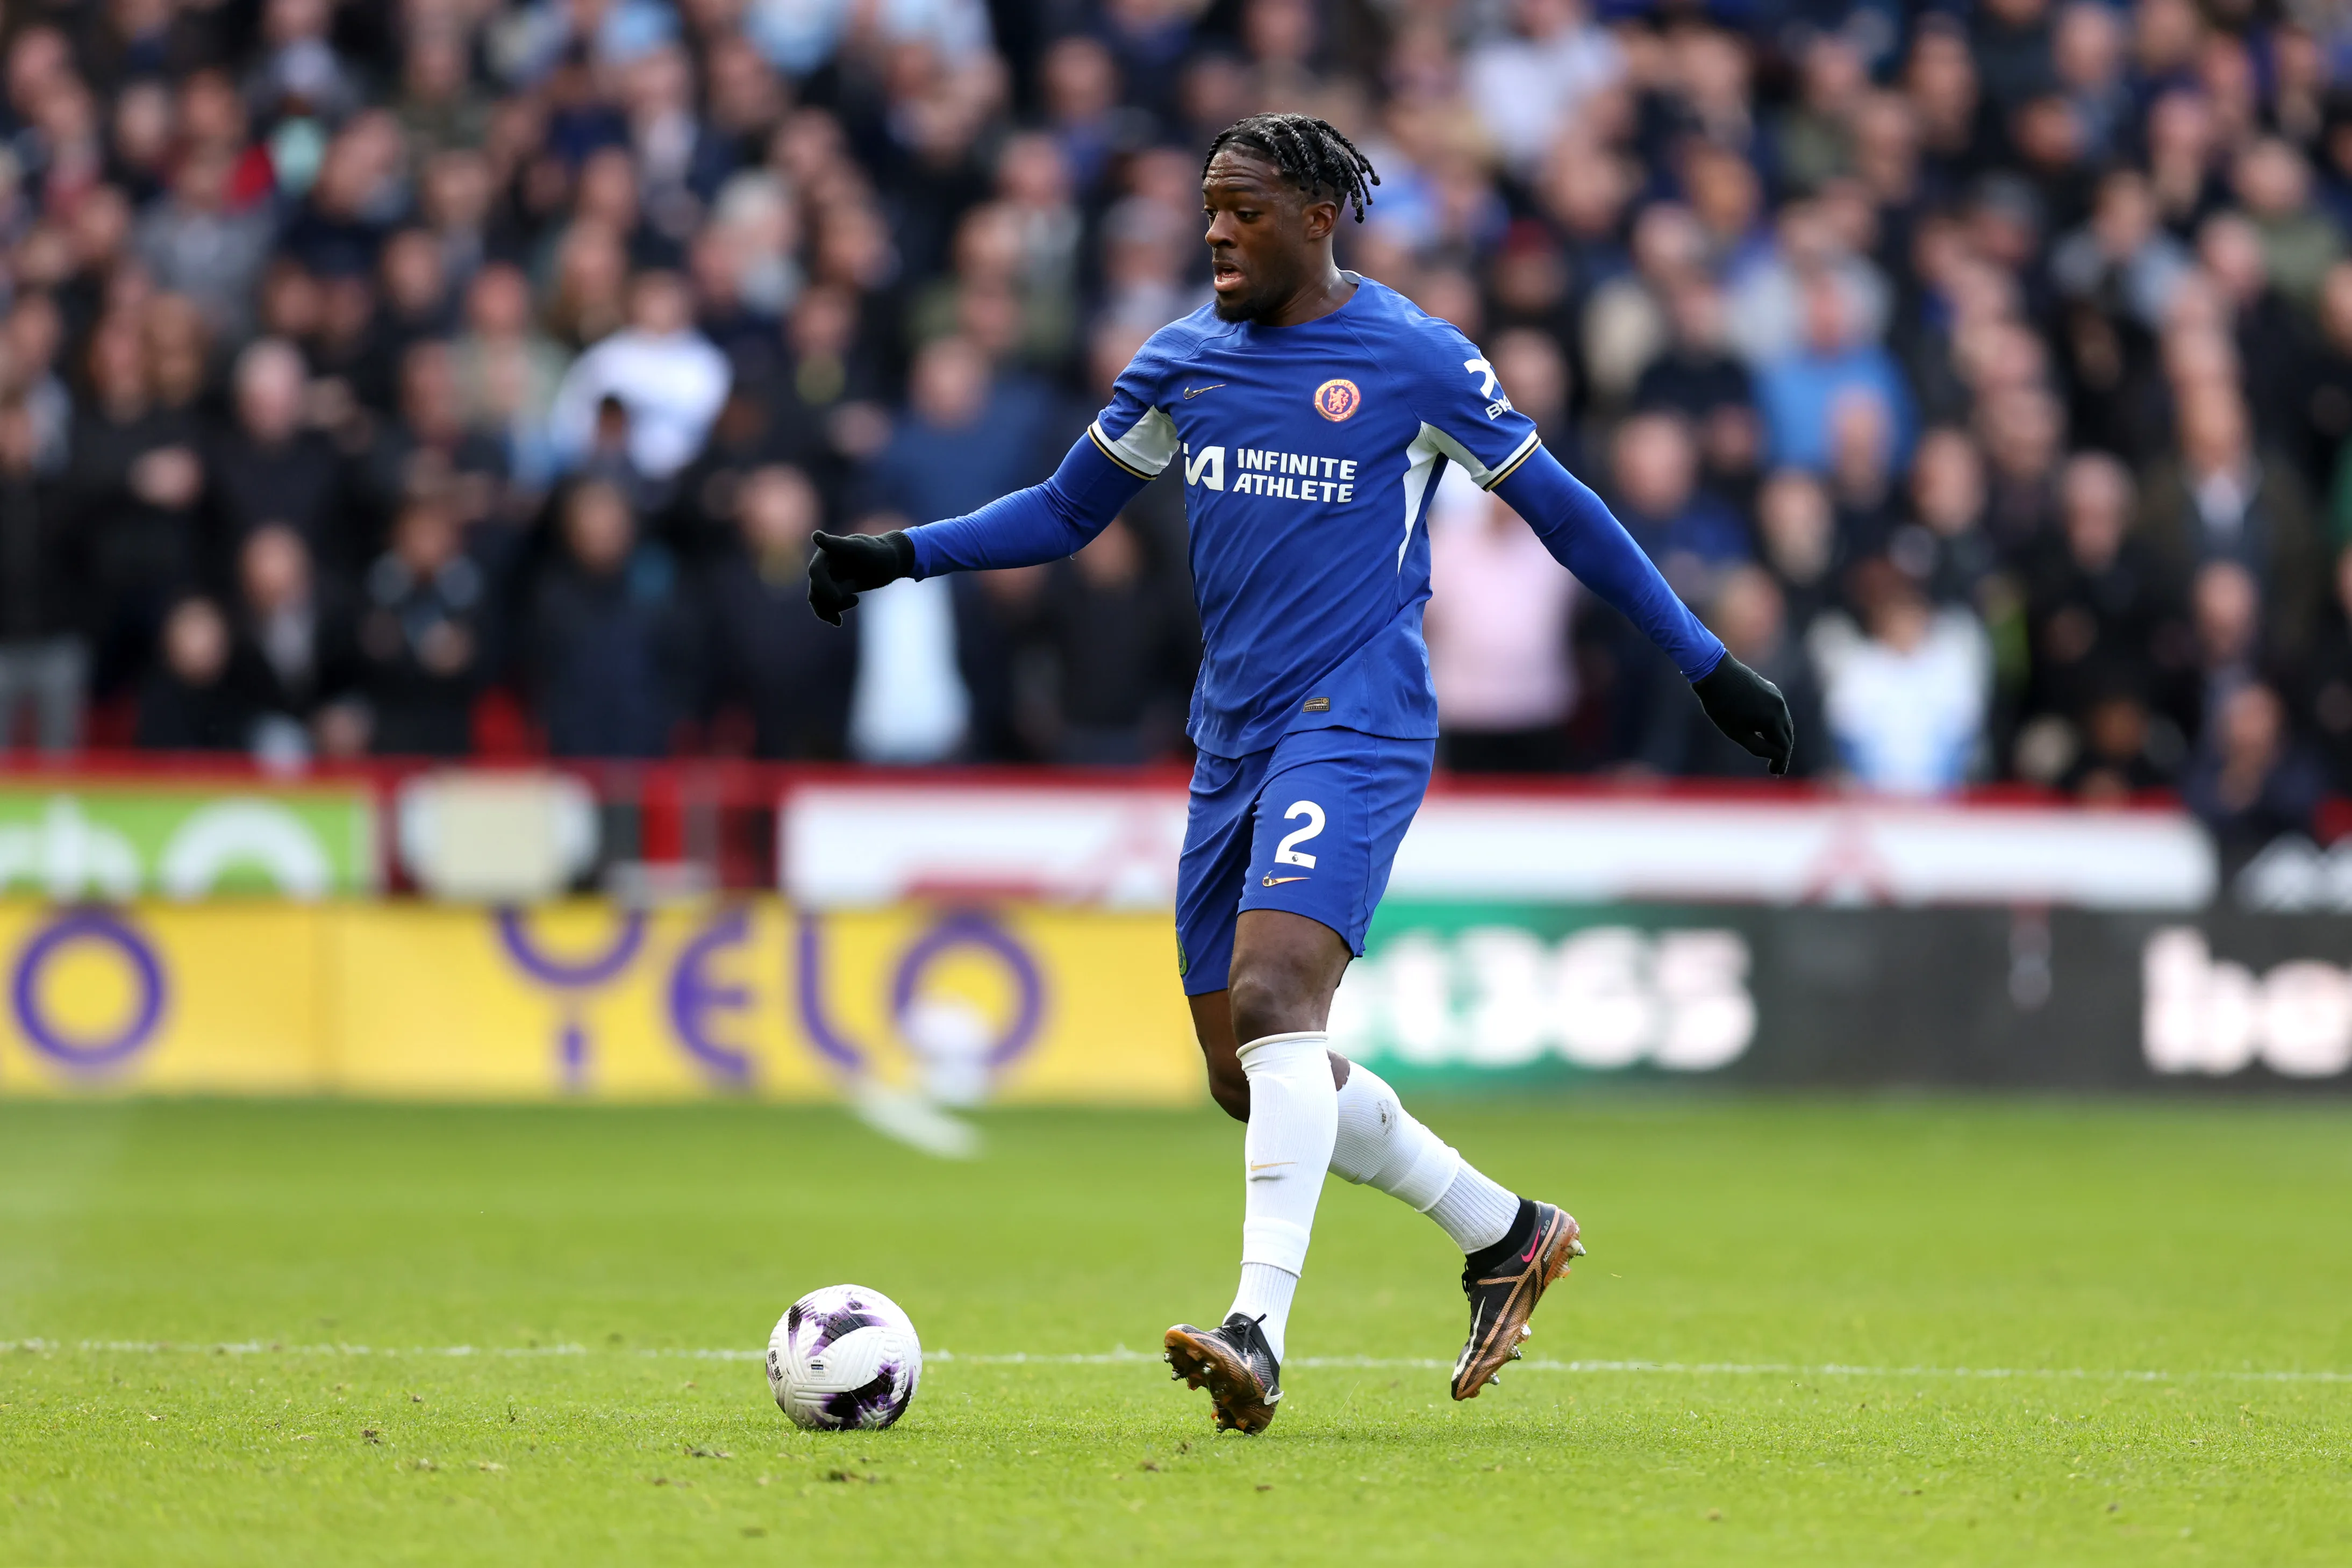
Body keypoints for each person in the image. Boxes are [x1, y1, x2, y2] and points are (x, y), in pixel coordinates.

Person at [803, 116, 1794, 1433]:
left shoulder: (1416, 358)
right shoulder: (1184, 361)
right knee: (1249, 1068)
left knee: (1280, 993)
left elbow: (1568, 515)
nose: (1215, 230)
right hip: (1236, 736)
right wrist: (900, 552)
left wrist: (1707, 662)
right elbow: (1063, 512)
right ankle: (1504, 1231)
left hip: (1362, 716)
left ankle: (1256, 1332)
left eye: (1245, 209)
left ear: (1320, 217)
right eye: (1210, 207)